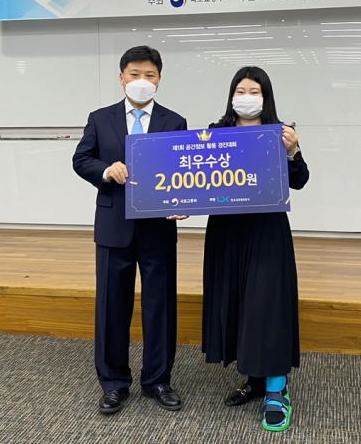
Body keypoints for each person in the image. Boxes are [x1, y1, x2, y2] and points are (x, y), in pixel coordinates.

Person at [73, 45, 187, 415]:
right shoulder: (100, 118)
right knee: (111, 306)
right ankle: (113, 383)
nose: (142, 81)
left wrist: (183, 201)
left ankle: (158, 380)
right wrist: (106, 171)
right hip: (113, 225)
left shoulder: (175, 122)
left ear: (159, 80)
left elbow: (184, 171)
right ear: (121, 78)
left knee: (160, 306)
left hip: (158, 228)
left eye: (149, 75)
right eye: (135, 74)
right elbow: (81, 159)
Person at [202, 66, 309, 432]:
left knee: (267, 305)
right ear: (231, 95)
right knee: (237, 303)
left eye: (254, 92)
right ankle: (255, 379)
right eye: (240, 91)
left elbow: (300, 180)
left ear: (266, 97)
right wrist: (180, 201)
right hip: (227, 233)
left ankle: (277, 389)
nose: (246, 98)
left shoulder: (280, 133)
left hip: (267, 232)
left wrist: (293, 152)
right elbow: (198, 181)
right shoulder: (215, 133)